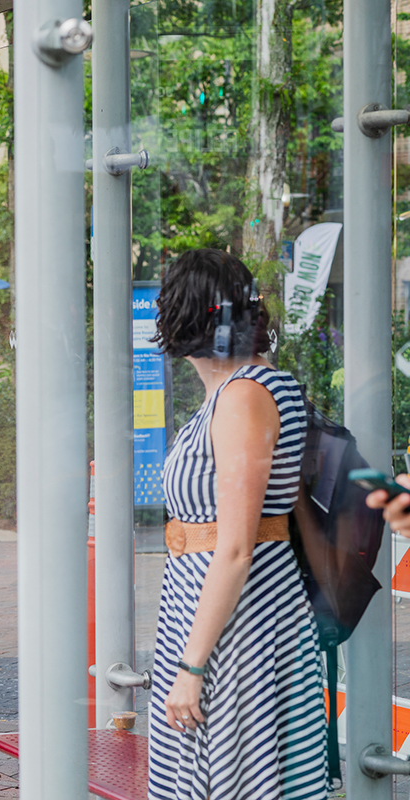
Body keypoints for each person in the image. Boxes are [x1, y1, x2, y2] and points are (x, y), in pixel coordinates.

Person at [147, 249, 327, 799]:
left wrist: (191, 667)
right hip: (225, 614)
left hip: (236, 625)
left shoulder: (244, 395)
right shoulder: (247, 391)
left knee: (235, 772)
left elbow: (235, 548)